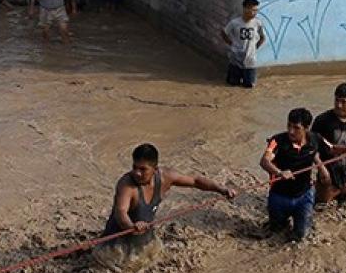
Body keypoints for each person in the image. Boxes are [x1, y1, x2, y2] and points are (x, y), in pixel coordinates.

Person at [98, 143, 235, 263]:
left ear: (155, 169)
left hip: (145, 237)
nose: (137, 173)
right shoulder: (126, 185)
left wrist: (222, 189)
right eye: (134, 167)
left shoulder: (165, 177)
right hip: (115, 246)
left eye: (143, 169)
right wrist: (132, 226)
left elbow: (195, 181)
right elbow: (121, 212)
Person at [259, 108, 328, 243]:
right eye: (289, 126)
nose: (291, 131)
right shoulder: (277, 140)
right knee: (276, 230)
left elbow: (332, 149)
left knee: (301, 236)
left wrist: (322, 167)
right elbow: (264, 161)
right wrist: (279, 172)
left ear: (307, 128)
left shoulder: (315, 139)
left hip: (304, 196)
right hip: (279, 196)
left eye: (296, 128)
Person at [221, 0, 266, 88]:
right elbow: (224, 33)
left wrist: (254, 48)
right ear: (245, 9)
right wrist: (231, 44)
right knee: (232, 84)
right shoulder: (234, 23)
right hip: (235, 58)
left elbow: (262, 37)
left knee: (249, 85)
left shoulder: (258, 23)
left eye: (256, 10)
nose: (254, 13)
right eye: (252, 10)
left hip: (250, 59)